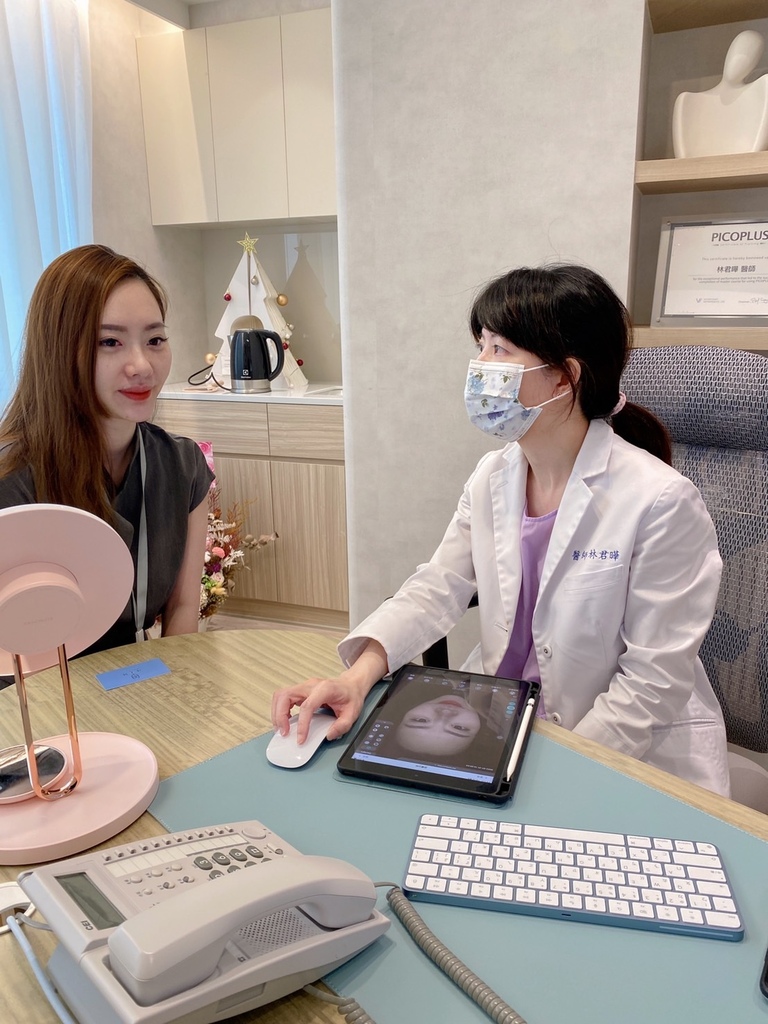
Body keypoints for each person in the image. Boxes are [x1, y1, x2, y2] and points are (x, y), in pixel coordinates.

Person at [272, 263, 730, 796]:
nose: (480, 367)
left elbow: (653, 682)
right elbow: (437, 586)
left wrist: (556, 775)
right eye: (481, 346)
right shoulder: (494, 475)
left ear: (565, 376)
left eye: (500, 350)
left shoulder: (661, 501)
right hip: (502, 721)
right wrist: (356, 677)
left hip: (618, 749)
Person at [0, 244, 214, 655]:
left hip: (138, 679)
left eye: (155, 339)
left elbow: (183, 611)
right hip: (32, 687)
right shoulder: (12, 480)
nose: (142, 366)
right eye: (110, 342)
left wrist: (176, 690)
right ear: (58, 350)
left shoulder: (183, 466)